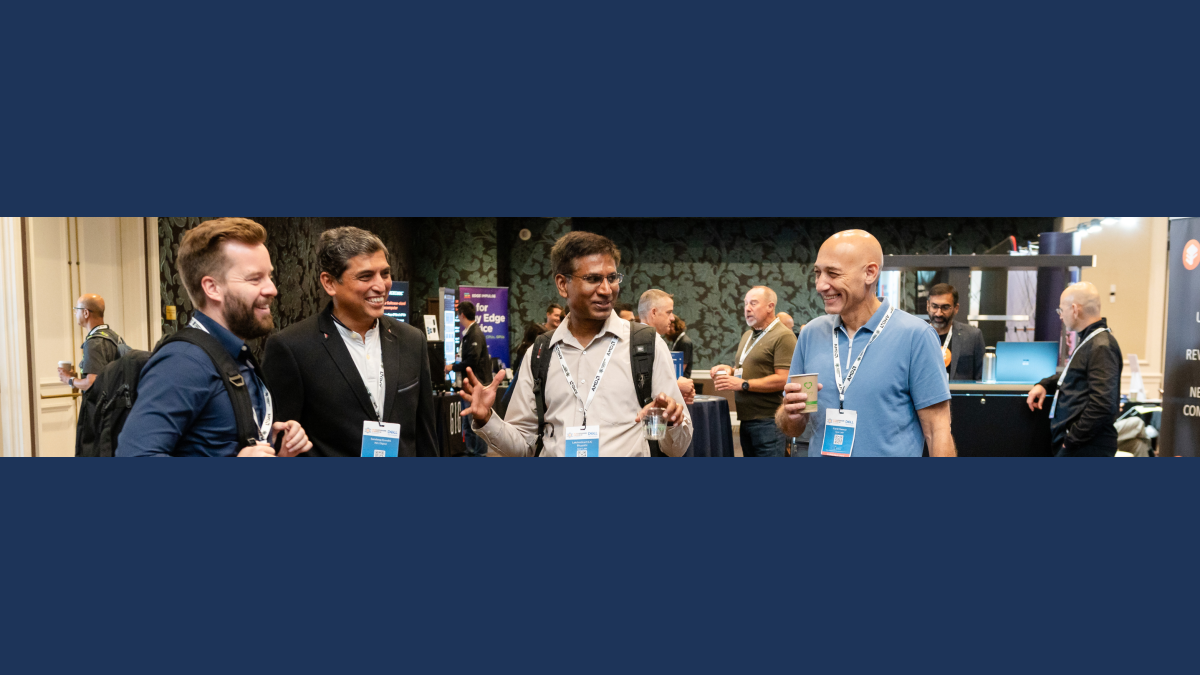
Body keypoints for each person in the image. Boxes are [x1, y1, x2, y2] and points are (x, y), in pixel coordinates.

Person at [460, 231, 693, 457]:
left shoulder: (646, 345)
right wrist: (486, 419)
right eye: (593, 279)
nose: (606, 290)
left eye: (612, 278)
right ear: (563, 284)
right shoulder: (540, 353)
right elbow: (523, 447)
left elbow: (677, 449)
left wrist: (672, 421)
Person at [118, 218, 312, 457]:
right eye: (255, 279)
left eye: (268, 276)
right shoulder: (182, 362)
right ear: (212, 288)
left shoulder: (235, 354)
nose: (272, 289)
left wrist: (275, 448)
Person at [777, 230, 955, 457]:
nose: (820, 285)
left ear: (870, 273)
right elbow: (793, 427)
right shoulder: (811, 333)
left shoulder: (916, 336)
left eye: (833, 273)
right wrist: (790, 414)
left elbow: (937, 431)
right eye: (818, 273)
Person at [263, 227, 438, 458]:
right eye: (366, 276)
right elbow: (280, 439)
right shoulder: (292, 348)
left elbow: (425, 435)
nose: (381, 286)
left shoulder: (412, 340)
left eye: (385, 273)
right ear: (329, 283)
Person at [1026, 282, 1122, 457]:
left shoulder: (1101, 346)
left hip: (1085, 447)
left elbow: (1102, 405)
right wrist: (1045, 384)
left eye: (1061, 310)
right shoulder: (1091, 341)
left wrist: (1072, 438)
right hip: (1080, 445)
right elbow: (1074, 376)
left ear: (1075, 310)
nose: (1060, 316)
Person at [709, 286, 796, 457]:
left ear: (770, 306)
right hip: (747, 419)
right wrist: (730, 371)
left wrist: (744, 384)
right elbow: (753, 370)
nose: (747, 309)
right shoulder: (748, 335)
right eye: (746, 304)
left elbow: (784, 378)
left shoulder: (783, 336)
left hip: (769, 422)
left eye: (753, 303)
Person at [446, 300, 492, 456]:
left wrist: (453, 367)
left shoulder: (474, 334)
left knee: (475, 424)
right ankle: (472, 453)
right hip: (469, 386)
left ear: (462, 315)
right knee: (469, 424)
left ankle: (479, 455)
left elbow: (472, 360)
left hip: (475, 387)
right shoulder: (469, 333)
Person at [59, 294, 125, 394]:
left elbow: (92, 383)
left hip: (101, 403)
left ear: (86, 313)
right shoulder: (114, 336)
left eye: (77, 309)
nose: (75, 313)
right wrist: (77, 380)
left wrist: (69, 379)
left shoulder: (94, 342)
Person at [638, 289, 695, 404]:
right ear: (654, 312)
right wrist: (677, 386)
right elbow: (641, 387)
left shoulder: (636, 339)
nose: (672, 318)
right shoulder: (653, 342)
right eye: (668, 312)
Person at [927, 283, 986, 381]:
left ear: (956, 308)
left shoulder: (972, 336)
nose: (938, 313)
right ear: (928, 306)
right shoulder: (917, 336)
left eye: (945, 307)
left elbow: (981, 378)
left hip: (959, 391)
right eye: (934, 306)